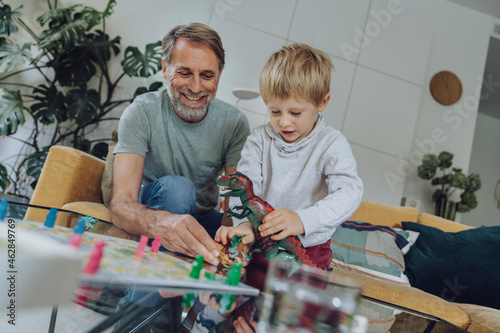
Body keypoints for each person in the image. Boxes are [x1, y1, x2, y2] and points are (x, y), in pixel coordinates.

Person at [107, 23, 250, 332]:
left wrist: (231, 245)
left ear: (219, 76)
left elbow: (234, 207)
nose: (196, 87)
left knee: (252, 235)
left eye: (207, 75)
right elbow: (121, 204)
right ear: (164, 68)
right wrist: (166, 222)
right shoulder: (142, 112)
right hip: (158, 203)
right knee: (177, 191)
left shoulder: (235, 124)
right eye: (185, 73)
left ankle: (193, 320)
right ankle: (134, 319)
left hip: (203, 218)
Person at [215, 43, 364, 292]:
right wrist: (244, 226)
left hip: (310, 253)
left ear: (322, 102)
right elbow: (246, 186)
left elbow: (350, 193)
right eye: (275, 111)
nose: (284, 121)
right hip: (260, 246)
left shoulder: (332, 143)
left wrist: (302, 220)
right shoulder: (259, 139)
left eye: (295, 112)